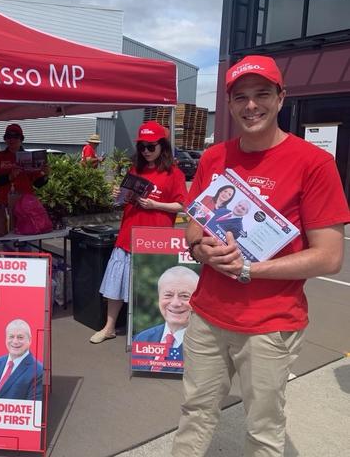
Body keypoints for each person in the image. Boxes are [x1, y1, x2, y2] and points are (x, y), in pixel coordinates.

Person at [172, 55, 350, 457]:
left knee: (263, 431)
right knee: (195, 413)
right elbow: (193, 229)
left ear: (281, 98)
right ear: (231, 104)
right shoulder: (215, 157)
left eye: (262, 94)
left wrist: (250, 267)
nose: (251, 105)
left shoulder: (315, 164)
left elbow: (329, 257)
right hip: (208, 315)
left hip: (271, 324)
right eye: (241, 97)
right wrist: (202, 249)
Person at [89, 121, 187, 344]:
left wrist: (156, 205)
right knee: (115, 284)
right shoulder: (136, 169)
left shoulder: (174, 174)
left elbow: (183, 206)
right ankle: (109, 327)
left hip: (155, 240)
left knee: (151, 287)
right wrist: (119, 195)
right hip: (128, 233)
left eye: (150, 146)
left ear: (162, 146)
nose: (145, 151)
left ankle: (150, 332)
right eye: (142, 146)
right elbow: (124, 201)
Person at [132, 266, 199, 372]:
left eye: (185, 296)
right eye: (168, 295)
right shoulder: (141, 338)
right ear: (158, 298)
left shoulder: (206, 345)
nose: (175, 303)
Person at [0, 123, 49, 207]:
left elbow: (37, 184)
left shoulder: (30, 157)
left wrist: (45, 174)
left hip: (25, 205)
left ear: (21, 139)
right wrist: (10, 176)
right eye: (8, 137)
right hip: (4, 202)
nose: (12, 140)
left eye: (15, 137)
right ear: (5, 139)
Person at [0, 319, 44, 400]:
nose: (15, 341)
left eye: (20, 337)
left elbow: (33, 408)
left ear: (29, 340)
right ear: (6, 338)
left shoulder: (38, 371)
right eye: (11, 337)